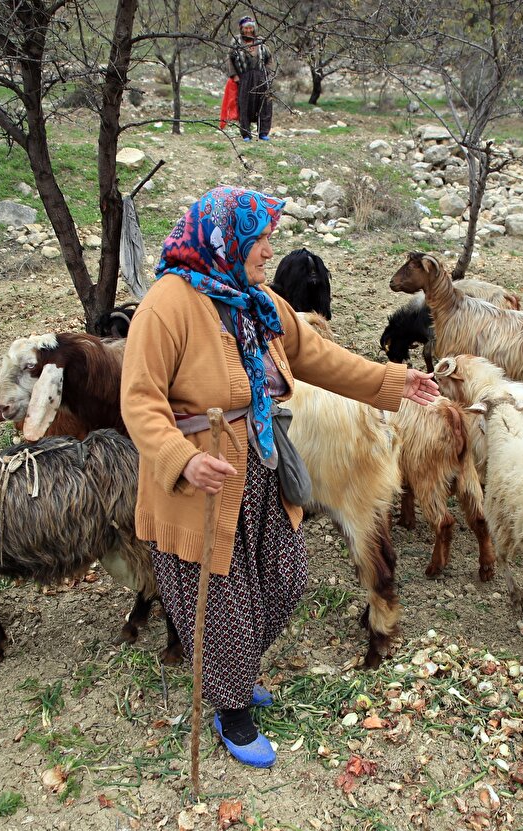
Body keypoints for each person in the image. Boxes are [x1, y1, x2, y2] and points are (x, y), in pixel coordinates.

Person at [120, 187, 438, 769]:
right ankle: (231, 711)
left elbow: (319, 357)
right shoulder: (166, 305)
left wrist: (393, 384)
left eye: (268, 239)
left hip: (260, 472)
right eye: (260, 239)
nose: (270, 250)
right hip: (202, 485)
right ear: (227, 239)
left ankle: (232, 671)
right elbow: (139, 401)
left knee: (284, 580)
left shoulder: (258, 301)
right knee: (222, 605)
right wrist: (181, 459)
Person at [226, 16, 273, 142]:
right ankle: (246, 134)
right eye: (246, 28)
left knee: (265, 104)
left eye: (251, 27)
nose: (248, 30)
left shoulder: (261, 41)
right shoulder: (236, 41)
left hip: (261, 77)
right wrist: (234, 75)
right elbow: (229, 59)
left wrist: (266, 72)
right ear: (242, 28)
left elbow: (269, 58)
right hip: (244, 78)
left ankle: (263, 132)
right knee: (244, 105)